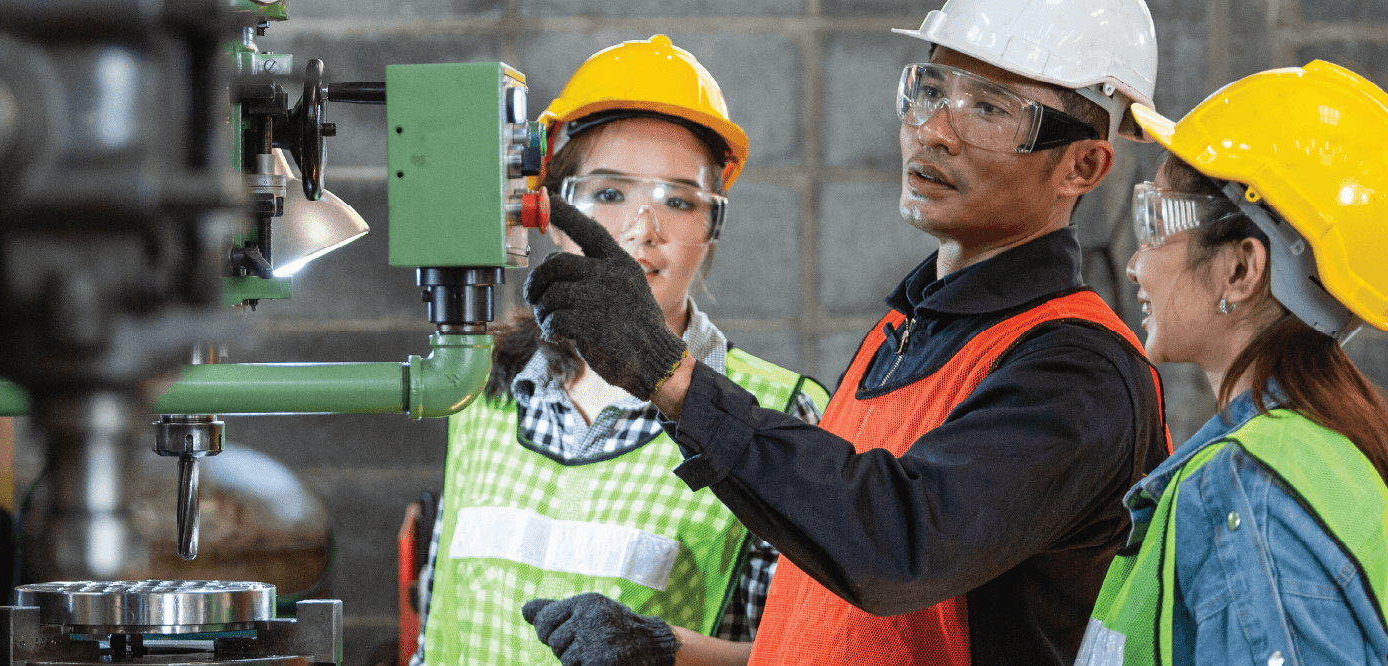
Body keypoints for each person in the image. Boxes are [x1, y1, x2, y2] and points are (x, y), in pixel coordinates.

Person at [520, 1, 1174, 664]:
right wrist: (674, 652)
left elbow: (899, 546)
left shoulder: (1078, 372)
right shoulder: (901, 331)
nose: (932, 131)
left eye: (988, 108)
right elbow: (832, 612)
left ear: (1082, 167)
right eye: (928, 90)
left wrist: (670, 374)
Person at [414, 35, 832, 666]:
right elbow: (437, 629)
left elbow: (814, 653)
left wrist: (671, 653)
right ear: (552, 213)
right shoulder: (479, 389)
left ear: (710, 229)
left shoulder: (776, 409)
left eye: (679, 201)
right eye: (610, 194)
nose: (643, 230)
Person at [1077, 60, 1388, 666]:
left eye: (1155, 222)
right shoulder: (1331, 456)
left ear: (1241, 268)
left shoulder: (1252, 492)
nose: (1134, 265)